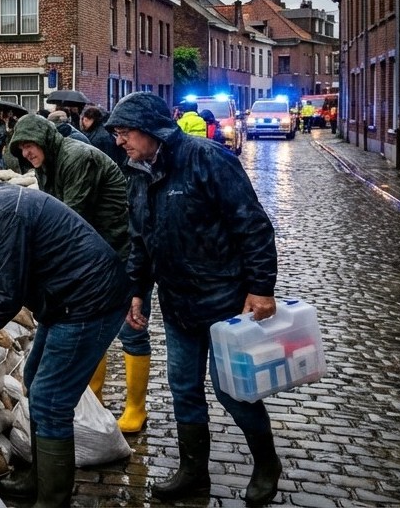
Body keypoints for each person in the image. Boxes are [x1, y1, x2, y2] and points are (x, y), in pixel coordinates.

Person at [104, 92, 282, 506]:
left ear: (153, 129)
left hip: (225, 302)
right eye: (116, 134)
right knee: (183, 388)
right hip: (178, 305)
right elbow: (140, 240)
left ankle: (266, 462)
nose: (120, 142)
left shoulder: (208, 160)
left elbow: (252, 226)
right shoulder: (138, 173)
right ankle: (192, 470)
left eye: (126, 132)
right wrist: (136, 291)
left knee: (233, 391)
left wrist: (261, 288)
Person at [0, 168, 128, 507]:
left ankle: (53, 498)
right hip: (64, 302)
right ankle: (38, 477)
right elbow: (2, 282)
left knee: (50, 400)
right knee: (32, 377)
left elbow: (7, 298)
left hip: (88, 302)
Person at [8, 112, 143, 432]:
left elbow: (68, 218)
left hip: (120, 254)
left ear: (44, 138)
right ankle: (92, 399)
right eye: (21, 149)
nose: (27, 153)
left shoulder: (76, 158)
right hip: (90, 258)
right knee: (91, 334)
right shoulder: (48, 165)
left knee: (130, 329)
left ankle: (136, 407)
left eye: (30, 145)